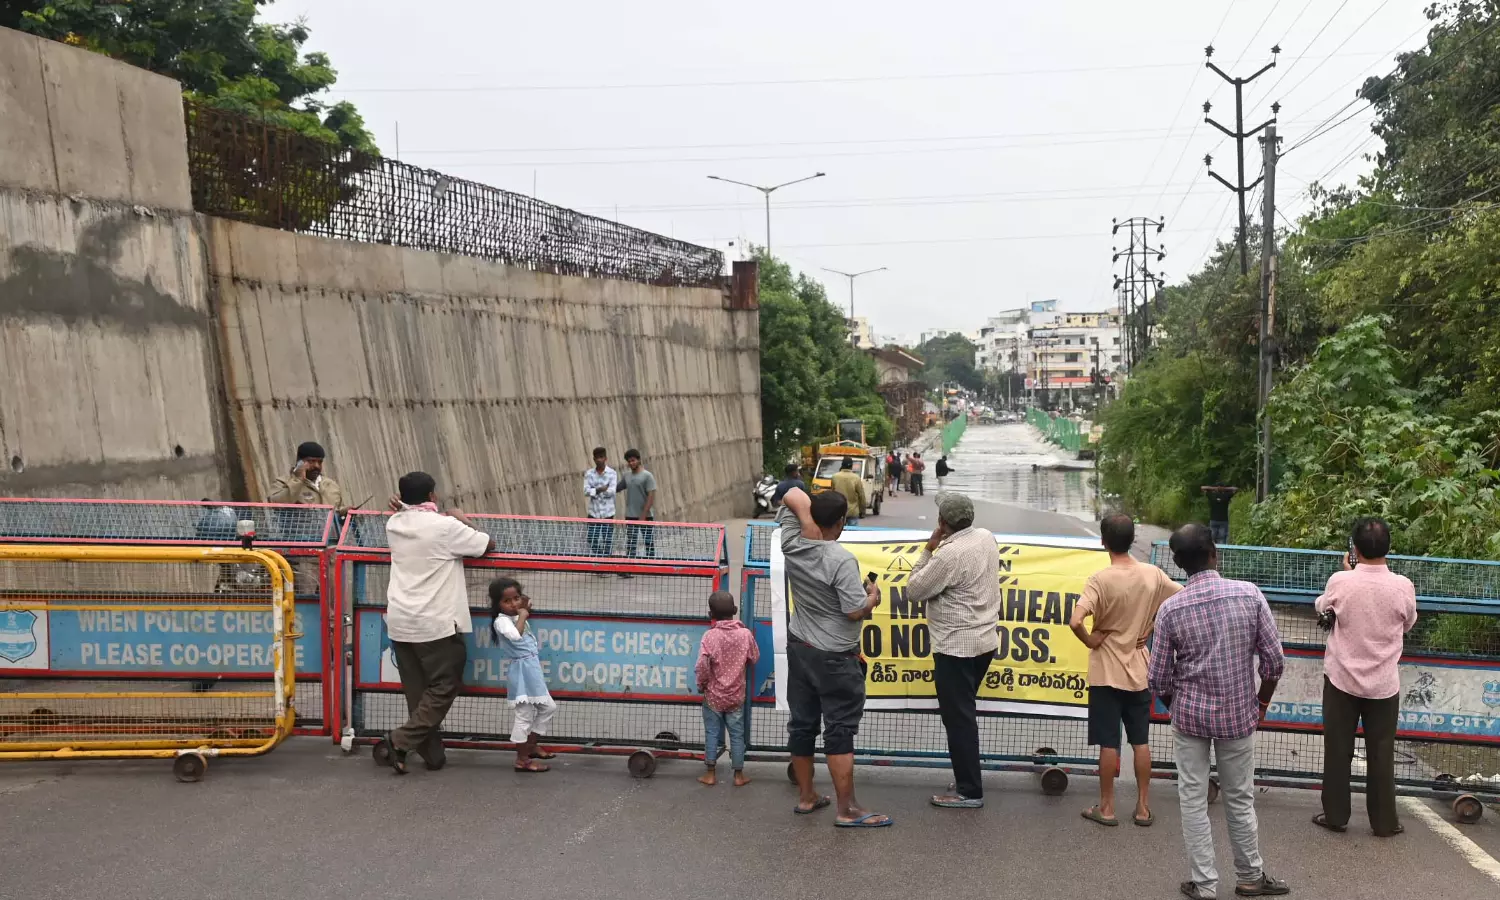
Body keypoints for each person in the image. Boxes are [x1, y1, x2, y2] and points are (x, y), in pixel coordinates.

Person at [1149, 524, 1289, 899]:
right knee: (1240, 797)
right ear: (1214, 552)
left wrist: (1177, 704)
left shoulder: (1171, 609)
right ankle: (1249, 876)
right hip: (1238, 715)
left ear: (1178, 563)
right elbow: (1274, 663)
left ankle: (1205, 884)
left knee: (1193, 800)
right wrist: (1260, 703)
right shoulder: (1249, 595)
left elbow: (1158, 677)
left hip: (1190, 717)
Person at [779, 486, 891, 828]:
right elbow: (854, 611)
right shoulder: (840, 559)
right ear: (841, 522)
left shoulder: (791, 542)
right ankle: (847, 809)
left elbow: (791, 493)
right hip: (835, 657)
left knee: (802, 724)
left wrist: (804, 517)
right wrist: (872, 597)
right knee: (839, 729)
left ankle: (806, 796)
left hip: (800, 648)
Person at [1069, 513, 1182, 827]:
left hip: (1106, 671)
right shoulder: (1152, 575)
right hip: (1139, 668)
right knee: (1140, 741)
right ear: (1133, 540)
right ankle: (1143, 807)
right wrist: (1153, 625)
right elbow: (1181, 599)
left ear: (1103, 541)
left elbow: (1075, 620)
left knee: (1109, 742)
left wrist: (1091, 639)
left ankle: (1106, 807)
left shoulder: (1099, 579)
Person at [382, 471, 496, 775]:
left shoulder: (393, 524)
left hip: (400, 619)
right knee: (445, 685)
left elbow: (406, 514)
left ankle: (430, 754)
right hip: (435, 623)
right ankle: (399, 739)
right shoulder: (446, 527)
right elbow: (486, 544)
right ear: (432, 496)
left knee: (418, 694)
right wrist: (462, 518)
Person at [1314, 517, 1417, 837]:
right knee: (1382, 751)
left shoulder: (1341, 581)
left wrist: (1347, 571)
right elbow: (1409, 622)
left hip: (1342, 679)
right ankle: (1385, 822)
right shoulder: (1402, 585)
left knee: (1337, 749)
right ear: (1389, 548)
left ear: (1355, 549)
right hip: (1384, 684)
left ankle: (1335, 815)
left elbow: (1321, 607)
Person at [904, 492, 1000, 808]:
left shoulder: (947, 555)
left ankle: (969, 790)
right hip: (984, 642)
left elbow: (914, 590)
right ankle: (965, 778)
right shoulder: (986, 537)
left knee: (958, 719)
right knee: (964, 714)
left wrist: (928, 548)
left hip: (955, 648)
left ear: (943, 524)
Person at [489, 577, 557, 773]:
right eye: (507, 601)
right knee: (524, 715)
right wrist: (523, 614)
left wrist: (523, 606)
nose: (513, 604)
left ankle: (530, 746)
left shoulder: (516, 614)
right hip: (521, 670)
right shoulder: (501, 621)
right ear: (497, 604)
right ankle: (522, 759)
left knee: (548, 707)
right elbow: (515, 635)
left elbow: (526, 603)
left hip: (531, 668)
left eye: (516, 598)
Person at [695, 590, 759, 787]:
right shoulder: (745, 634)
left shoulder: (710, 636)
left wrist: (701, 685)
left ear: (710, 614)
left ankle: (710, 773)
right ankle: (739, 775)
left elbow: (702, 666)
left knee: (712, 733)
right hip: (736, 696)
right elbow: (754, 657)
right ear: (735, 610)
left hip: (713, 696)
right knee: (737, 735)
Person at [267, 441, 348, 514]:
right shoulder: (283, 482)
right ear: (300, 462)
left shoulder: (331, 485)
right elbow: (275, 504)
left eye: (320, 462)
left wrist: (344, 512)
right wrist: (298, 480)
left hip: (330, 530)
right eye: (311, 461)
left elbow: (337, 512)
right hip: (299, 530)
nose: (316, 466)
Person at [619, 449, 658, 567]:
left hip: (645, 516)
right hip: (630, 515)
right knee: (631, 542)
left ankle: (651, 565)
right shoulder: (627, 476)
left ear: (639, 460)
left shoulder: (647, 476)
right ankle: (629, 567)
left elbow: (651, 497)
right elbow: (617, 487)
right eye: (629, 461)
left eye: (633, 460)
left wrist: (643, 515)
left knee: (648, 542)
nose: (631, 463)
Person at [583, 447, 617, 560]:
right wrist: (600, 489)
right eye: (597, 458)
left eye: (601, 457)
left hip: (608, 513)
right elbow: (586, 491)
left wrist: (595, 490)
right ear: (594, 459)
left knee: (607, 540)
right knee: (591, 539)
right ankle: (603, 557)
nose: (599, 460)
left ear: (605, 458)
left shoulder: (612, 473)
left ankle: (604, 564)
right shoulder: (589, 474)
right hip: (594, 513)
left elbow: (612, 491)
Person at [829, 457, 868, 525]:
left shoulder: (835, 477)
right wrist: (863, 510)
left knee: (839, 533)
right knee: (852, 534)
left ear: (842, 465)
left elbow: (832, 494)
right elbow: (861, 495)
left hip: (839, 511)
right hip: (852, 511)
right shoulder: (856, 478)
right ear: (852, 466)